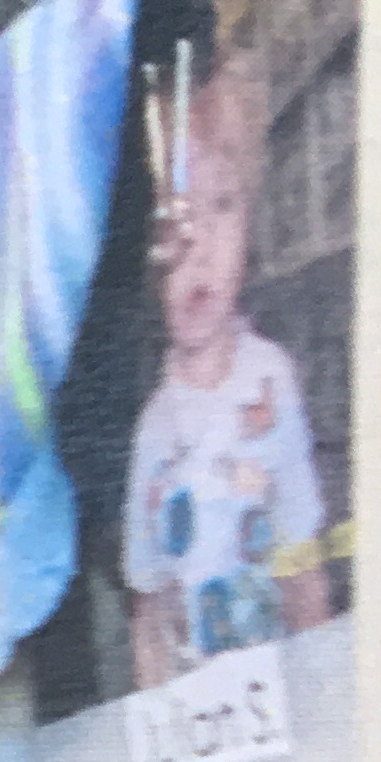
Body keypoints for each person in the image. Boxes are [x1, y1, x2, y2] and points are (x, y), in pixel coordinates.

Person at [124, 52, 331, 690]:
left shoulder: (269, 379)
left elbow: (302, 562)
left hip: (280, 690)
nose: (201, 248)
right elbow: (148, 605)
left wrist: (323, 686)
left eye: (223, 206)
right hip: (199, 706)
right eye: (174, 216)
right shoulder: (155, 426)